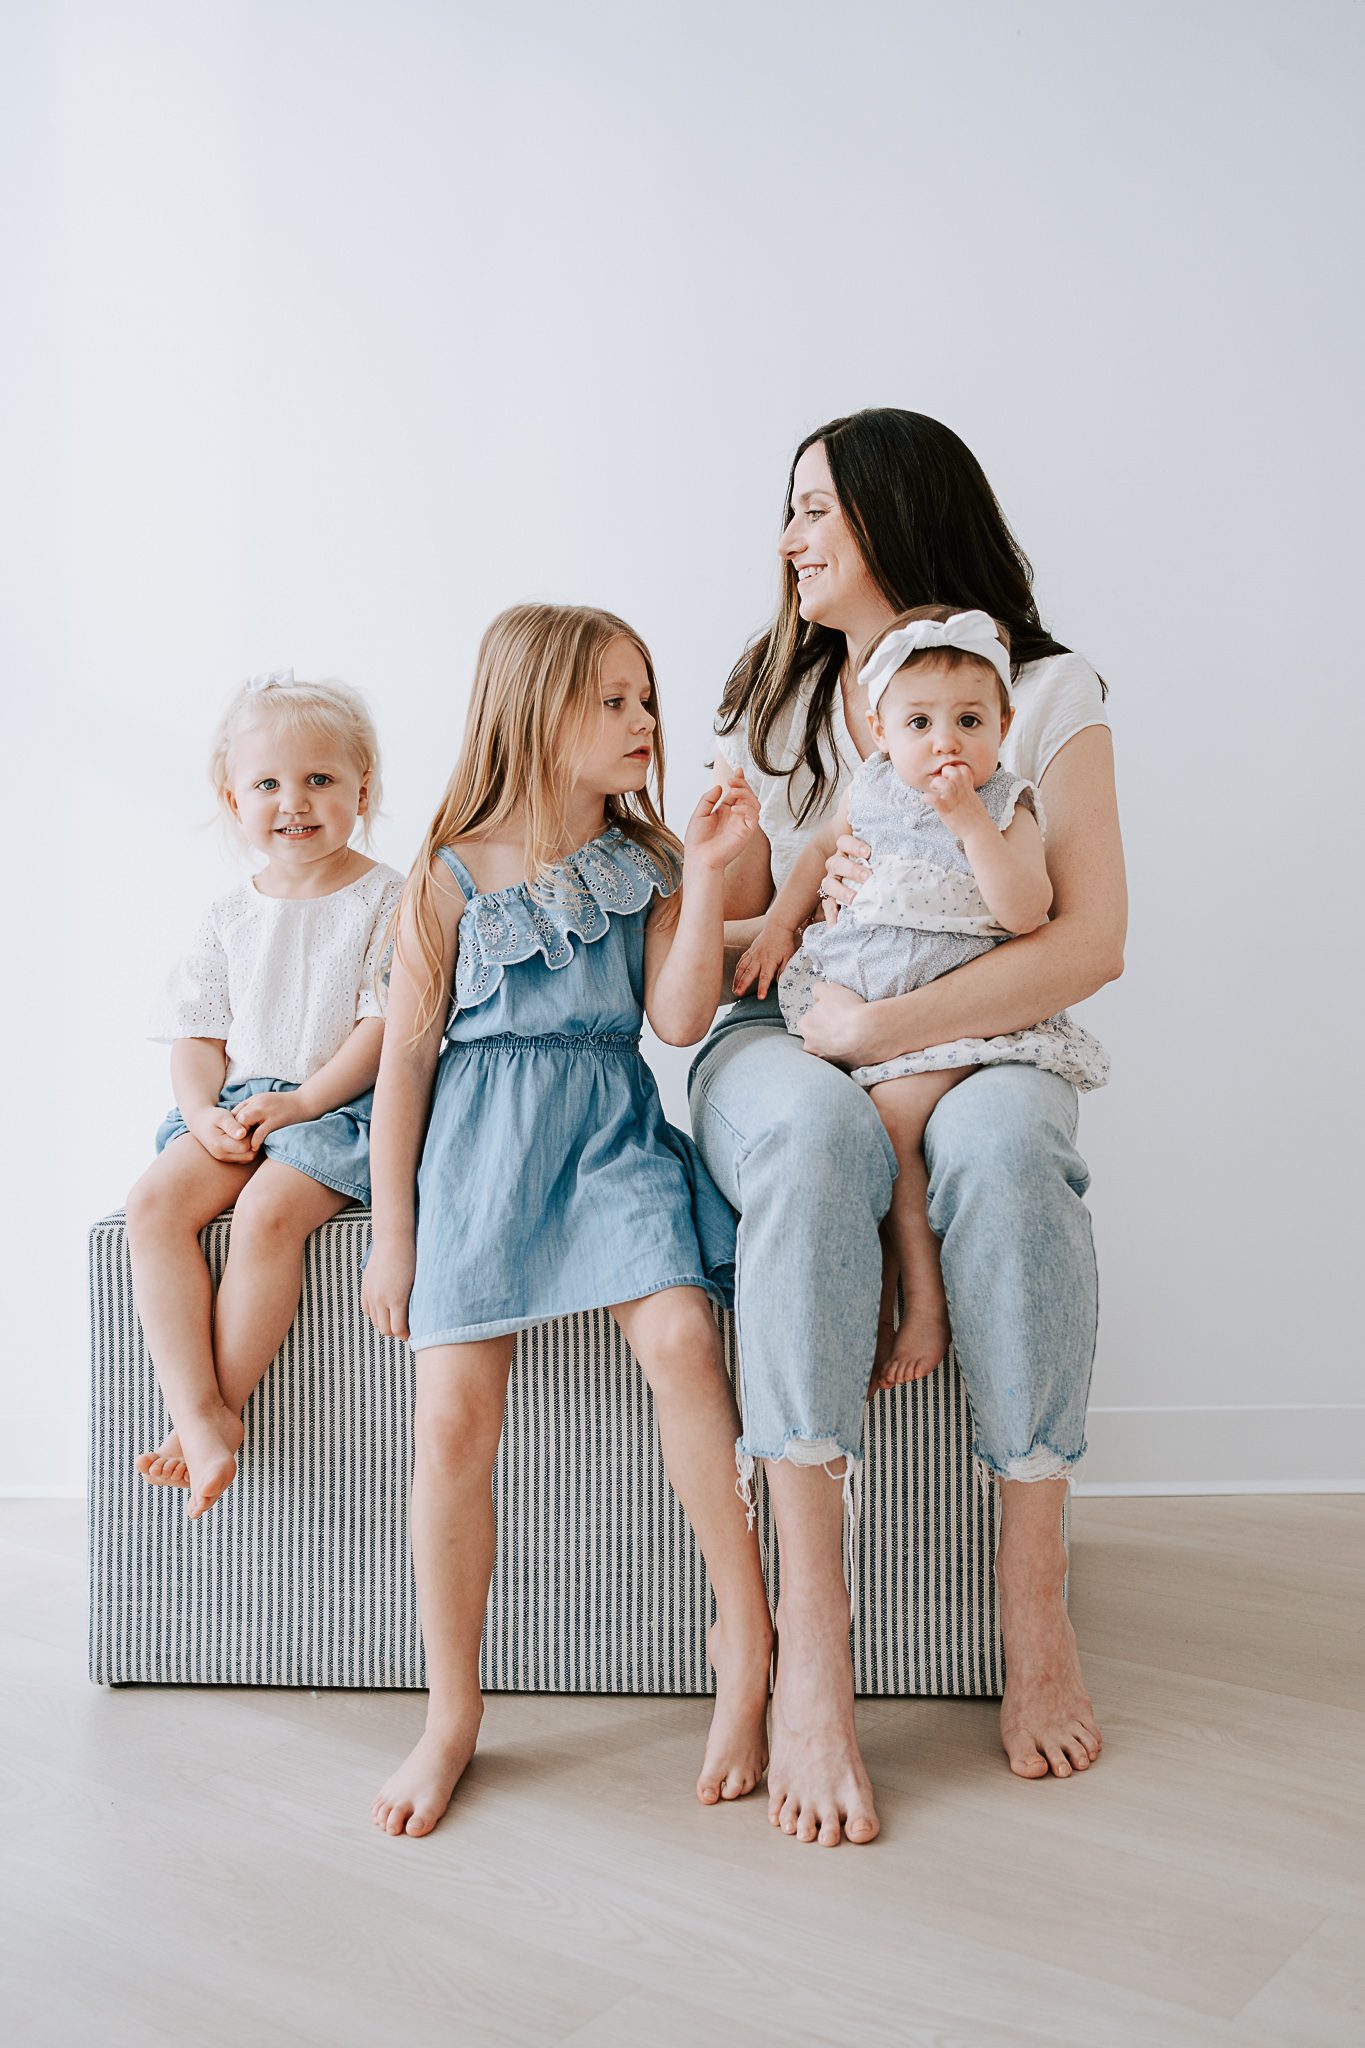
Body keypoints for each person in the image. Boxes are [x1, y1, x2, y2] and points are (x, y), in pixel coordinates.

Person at [691, 409, 1127, 1845]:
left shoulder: (1042, 693)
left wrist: (884, 1035)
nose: (788, 538)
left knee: (1002, 1151)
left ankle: (1034, 1600)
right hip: (788, 1026)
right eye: (787, 510)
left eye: (814, 507)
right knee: (817, 1146)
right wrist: (721, 885)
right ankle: (813, 1644)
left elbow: (1082, 943)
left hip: (964, 1015)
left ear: (892, 508)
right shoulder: (778, 698)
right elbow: (740, 950)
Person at [361, 603, 775, 1839]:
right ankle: (451, 1708)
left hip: (606, 1132)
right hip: (480, 1158)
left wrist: (702, 880)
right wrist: (396, 1229)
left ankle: (745, 1633)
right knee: (451, 1425)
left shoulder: (644, 857)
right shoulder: (443, 871)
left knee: (682, 1343)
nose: (647, 721)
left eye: (649, 696)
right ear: (536, 708)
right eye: (616, 699)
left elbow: (683, 1015)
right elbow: (403, 1068)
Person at [734, 603, 1107, 1385]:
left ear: (1002, 725)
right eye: (919, 723)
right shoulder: (869, 788)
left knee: (890, 1125)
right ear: (879, 730)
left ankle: (916, 1299)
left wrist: (971, 825)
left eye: (968, 720)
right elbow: (812, 860)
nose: (945, 742)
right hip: (845, 996)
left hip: (948, 1017)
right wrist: (774, 930)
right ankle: (853, 1292)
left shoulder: (1008, 804)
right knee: (819, 1128)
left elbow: (1025, 910)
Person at [127, 672, 404, 1520]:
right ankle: (191, 1406)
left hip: (338, 1105)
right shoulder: (227, 913)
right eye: (268, 784)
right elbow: (197, 1032)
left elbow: (381, 1025)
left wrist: (307, 1101)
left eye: (320, 779)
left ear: (364, 788)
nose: (295, 802)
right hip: (240, 1099)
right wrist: (205, 1110)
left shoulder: (385, 897)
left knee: (268, 1215)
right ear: (232, 798)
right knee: (153, 1205)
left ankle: (222, 1408)